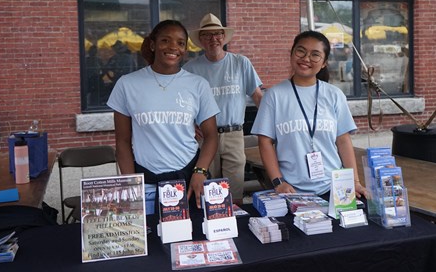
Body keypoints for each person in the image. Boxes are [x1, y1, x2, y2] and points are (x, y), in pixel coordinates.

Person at [107, 20, 220, 209]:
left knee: (191, 236)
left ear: (185, 49)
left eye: (180, 43)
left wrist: (200, 172)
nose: (173, 47)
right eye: (165, 40)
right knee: (149, 237)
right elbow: (122, 142)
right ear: (153, 44)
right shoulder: (127, 84)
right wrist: (130, 184)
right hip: (146, 183)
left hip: (189, 179)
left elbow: (211, 136)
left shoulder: (198, 85)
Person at [250, 31, 368, 200]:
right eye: (301, 51)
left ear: (324, 63)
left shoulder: (334, 95)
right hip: (291, 189)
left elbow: (343, 141)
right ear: (291, 53)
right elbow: (265, 142)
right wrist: (278, 182)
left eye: (315, 55)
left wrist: (354, 181)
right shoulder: (274, 95)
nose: (306, 58)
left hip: (335, 187)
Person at [183, 13, 263, 204]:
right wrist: (187, 124)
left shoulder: (240, 63)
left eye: (217, 34)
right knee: (209, 194)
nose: (213, 39)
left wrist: (271, 129)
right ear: (201, 40)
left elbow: (259, 97)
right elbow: (181, 105)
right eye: (207, 35)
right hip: (204, 138)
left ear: (223, 36)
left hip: (234, 135)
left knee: (234, 193)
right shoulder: (190, 69)